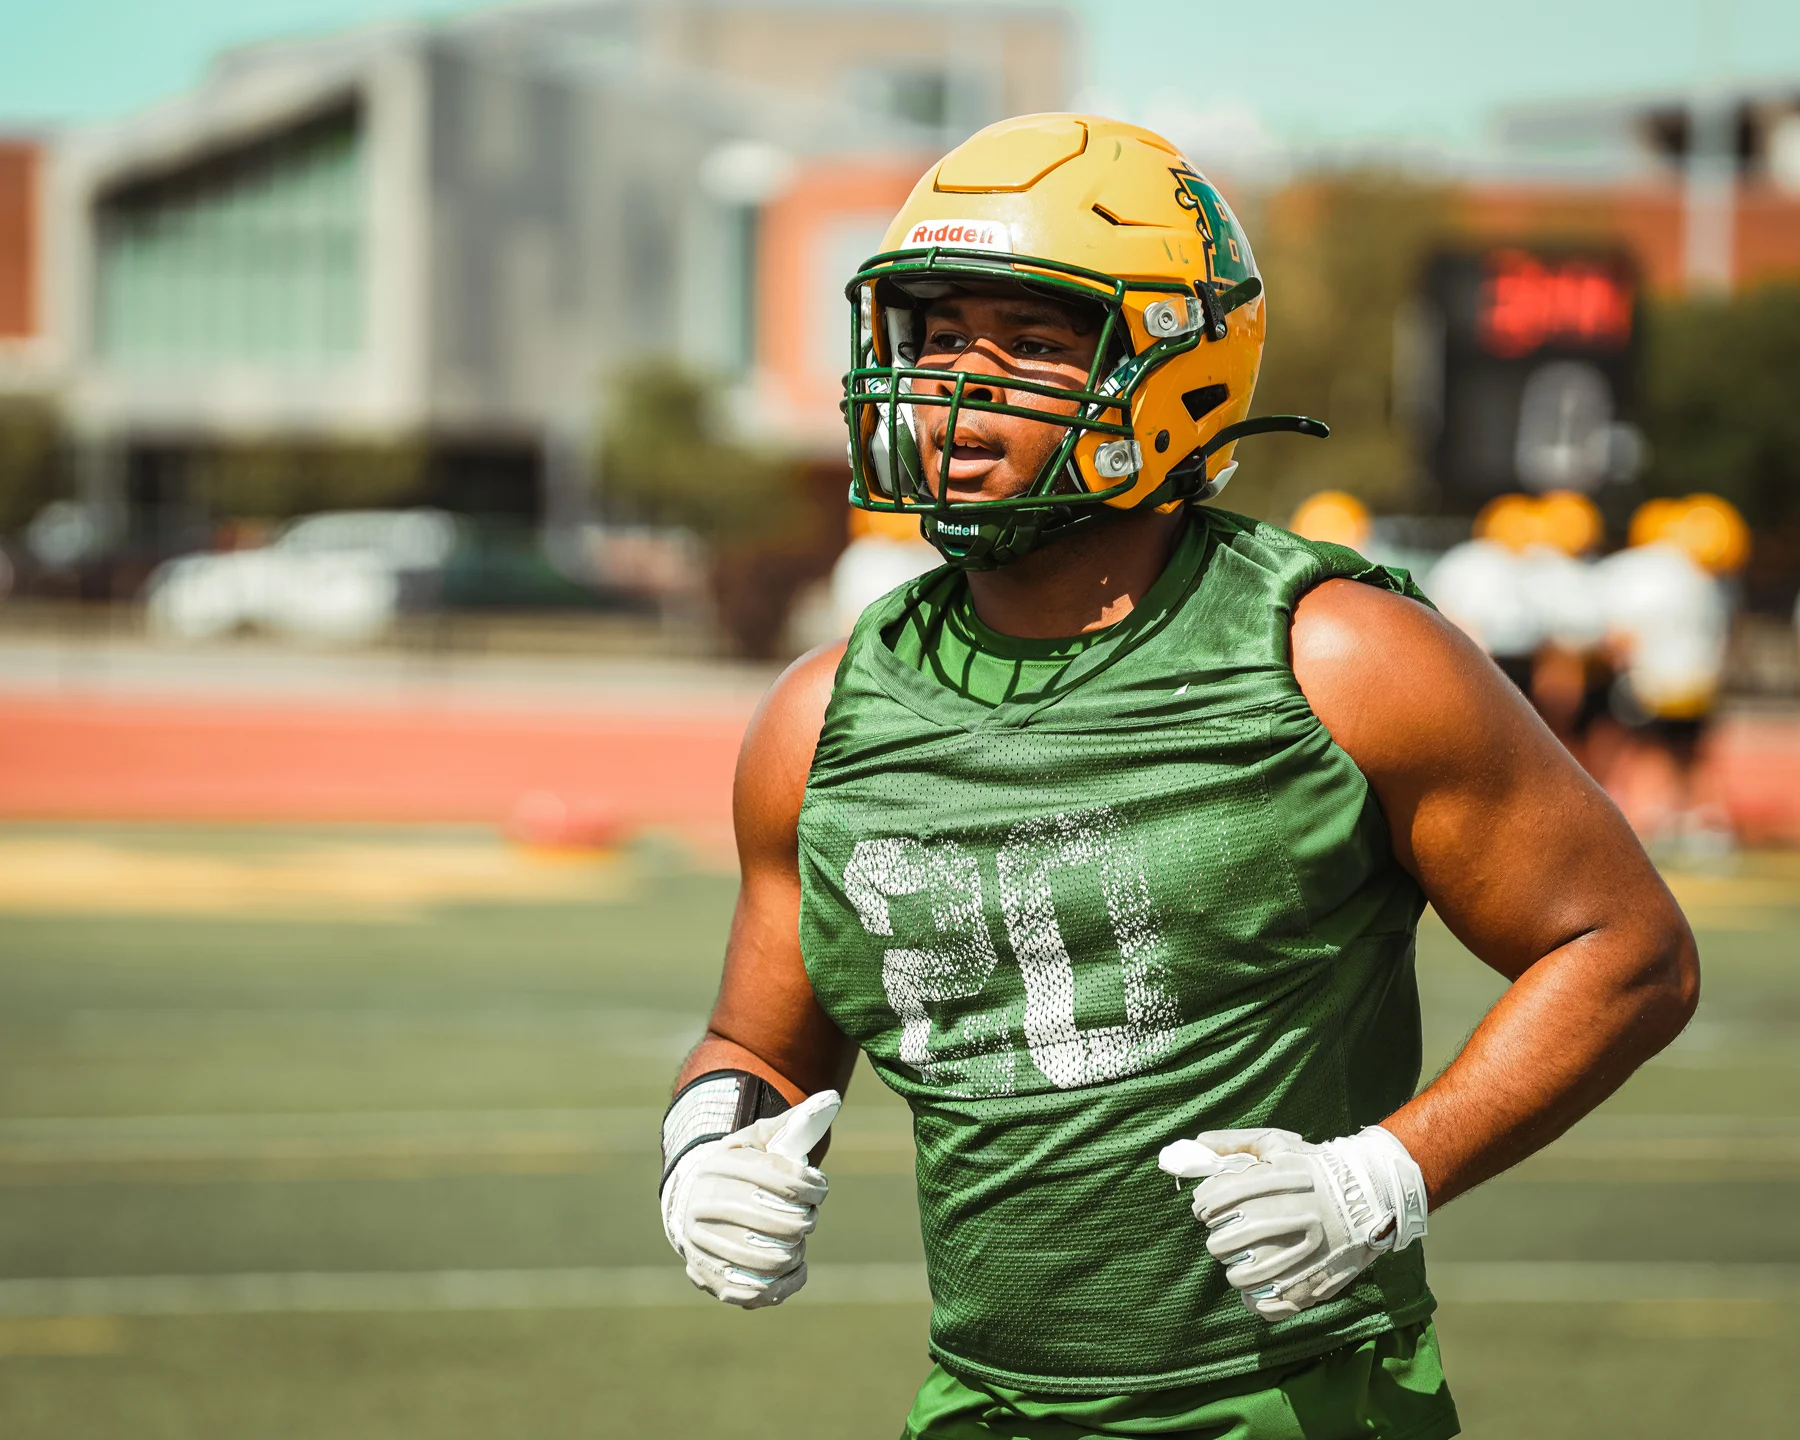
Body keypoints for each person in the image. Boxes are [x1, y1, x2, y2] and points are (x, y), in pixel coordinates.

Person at [657, 115, 1698, 1440]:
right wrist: (706, 1141)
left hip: (1296, 1409)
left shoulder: (1338, 656)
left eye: (1030, 343)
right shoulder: (821, 715)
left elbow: (1626, 950)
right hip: (980, 1411)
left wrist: (1386, 1175)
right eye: (935, 338)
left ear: (1174, 370)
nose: (955, 391)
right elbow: (760, 1041)